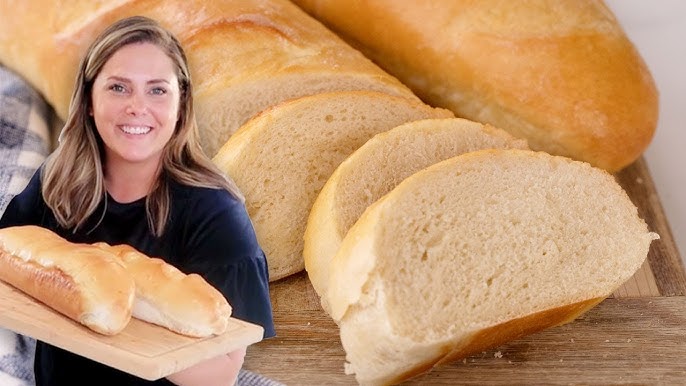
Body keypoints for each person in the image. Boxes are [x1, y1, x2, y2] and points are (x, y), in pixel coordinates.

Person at [0, 15, 275, 386]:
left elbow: (218, 376)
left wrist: (110, 317)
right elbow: (9, 260)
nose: (137, 106)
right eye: (118, 87)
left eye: (157, 90)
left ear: (181, 107)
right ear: (90, 100)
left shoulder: (216, 213)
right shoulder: (58, 182)